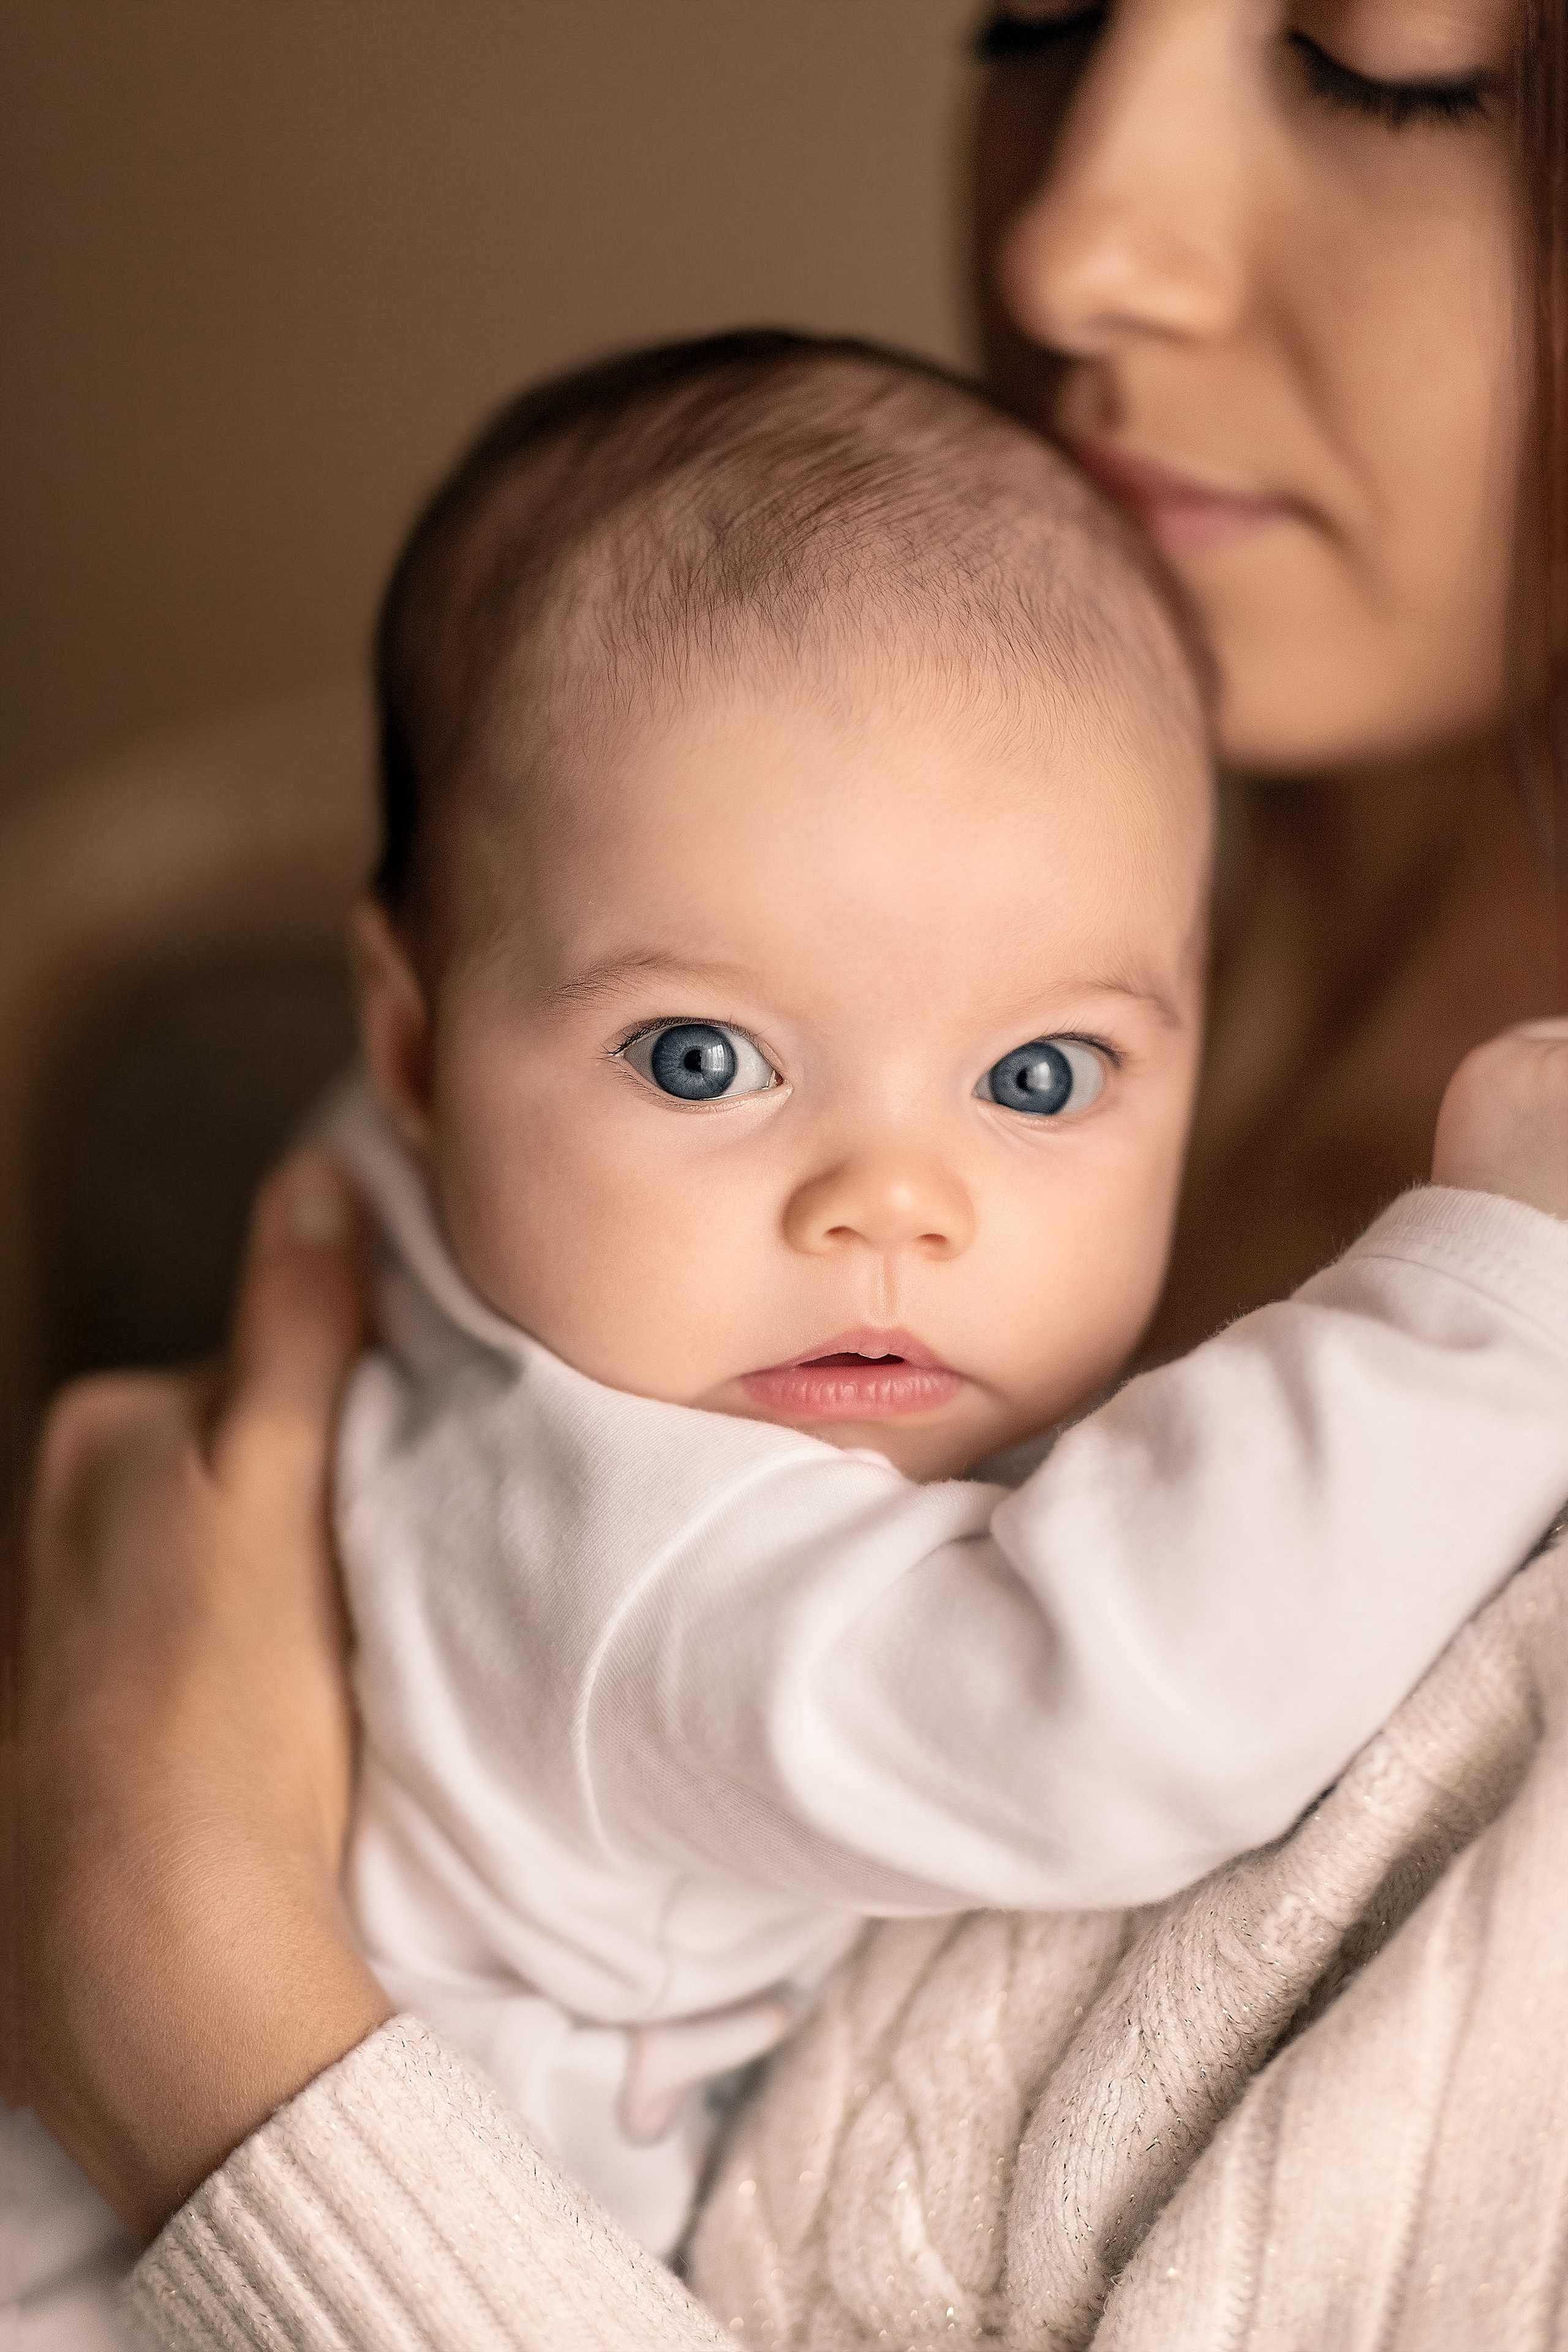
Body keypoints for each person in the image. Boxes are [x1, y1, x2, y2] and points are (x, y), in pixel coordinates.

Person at [16, 0, 1568, 2340]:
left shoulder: (525, 1184)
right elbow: (1097, 1705)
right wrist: (1499, 1292)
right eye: (1032, 10)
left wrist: (194, 1988)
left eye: (1389, 65)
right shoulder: (646, 1514)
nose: (1068, 240)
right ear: (420, 1038)